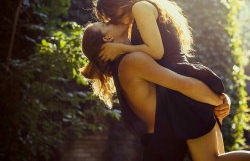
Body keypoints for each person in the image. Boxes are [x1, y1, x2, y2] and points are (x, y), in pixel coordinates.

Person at [80, 22, 250, 161]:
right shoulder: (131, 61)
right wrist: (218, 100)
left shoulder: (128, 61)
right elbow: (183, 84)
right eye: (105, 23)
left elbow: (182, 84)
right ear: (107, 37)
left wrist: (219, 100)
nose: (110, 19)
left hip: (186, 117)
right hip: (181, 121)